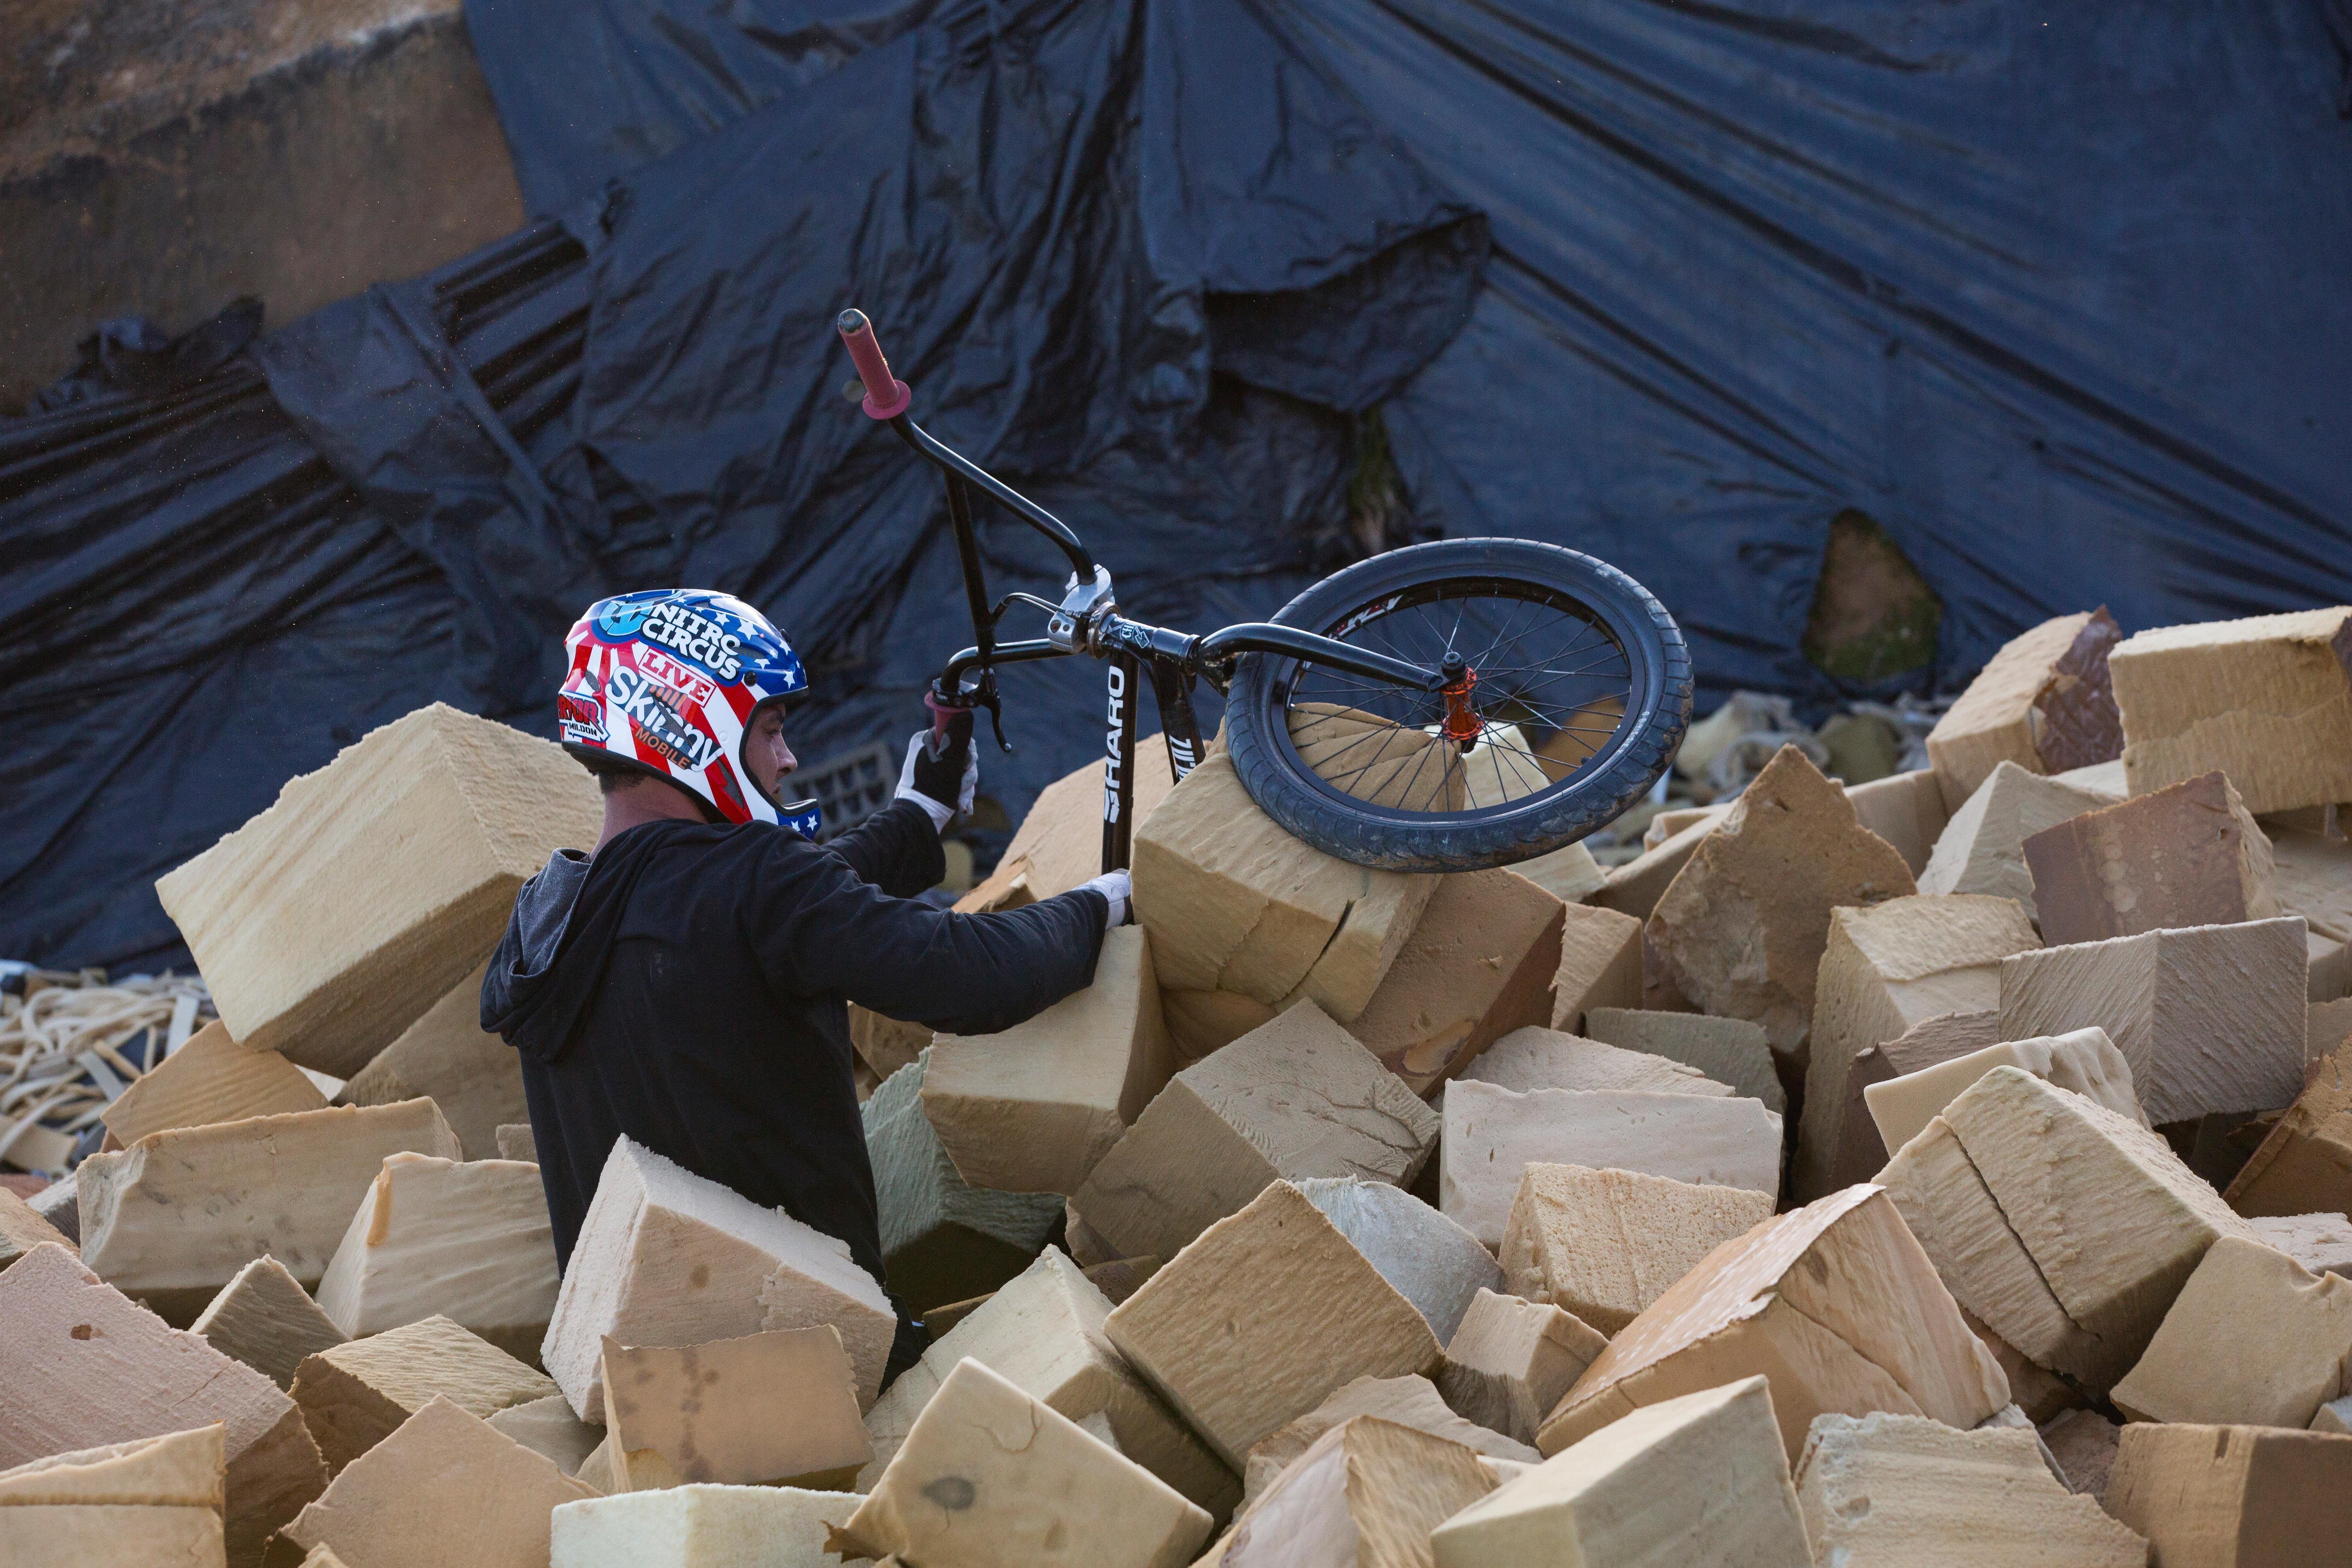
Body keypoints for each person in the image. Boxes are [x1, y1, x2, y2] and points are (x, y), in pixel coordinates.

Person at [481, 589, 1127, 1382]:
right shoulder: (749, 886)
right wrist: (1103, 904)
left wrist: (916, 819)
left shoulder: (553, 915)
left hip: (644, 1396)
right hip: (816, 1369)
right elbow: (973, 977)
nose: (787, 760)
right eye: (772, 729)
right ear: (692, 725)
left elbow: (754, 911)